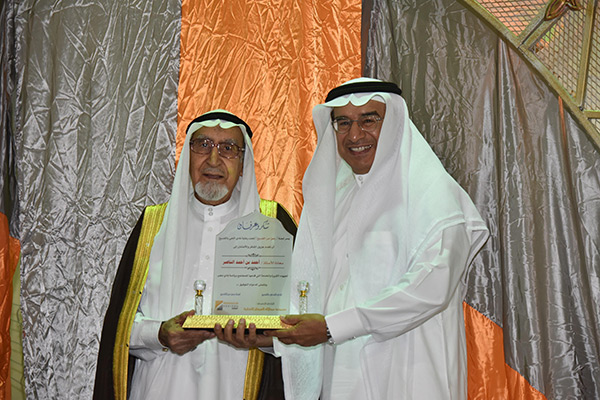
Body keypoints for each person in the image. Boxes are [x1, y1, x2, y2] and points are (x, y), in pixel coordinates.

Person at [266, 78, 490, 399]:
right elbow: (316, 295)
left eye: (369, 120)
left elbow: (430, 288)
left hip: (411, 377)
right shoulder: (335, 199)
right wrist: (268, 332)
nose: (355, 135)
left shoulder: (432, 194)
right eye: (343, 123)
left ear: (395, 121)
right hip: (342, 380)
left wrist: (331, 327)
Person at [93, 110, 294, 400]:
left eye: (228, 148)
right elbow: (120, 327)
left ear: (244, 163)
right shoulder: (153, 224)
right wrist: (159, 335)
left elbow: (302, 327)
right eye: (203, 145)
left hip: (239, 387)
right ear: (188, 155)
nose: (213, 160)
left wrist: (264, 339)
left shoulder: (273, 223)